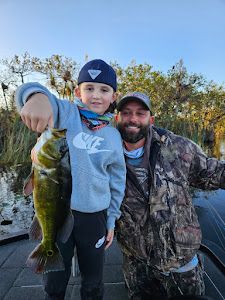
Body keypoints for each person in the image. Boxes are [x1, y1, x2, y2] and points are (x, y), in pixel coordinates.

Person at [15, 59, 126, 300]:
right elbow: (30, 93)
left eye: (104, 89)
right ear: (77, 91)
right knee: (54, 281)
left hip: (95, 217)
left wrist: (112, 220)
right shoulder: (65, 114)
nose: (96, 95)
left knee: (93, 281)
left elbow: (117, 182)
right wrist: (36, 97)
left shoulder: (114, 137)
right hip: (58, 213)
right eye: (89, 88)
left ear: (114, 95)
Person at [115, 92, 225, 299]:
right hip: (137, 263)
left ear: (151, 120)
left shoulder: (177, 146)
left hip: (180, 261)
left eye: (140, 113)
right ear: (117, 118)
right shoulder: (104, 153)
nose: (133, 119)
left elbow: (213, 172)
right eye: (126, 113)